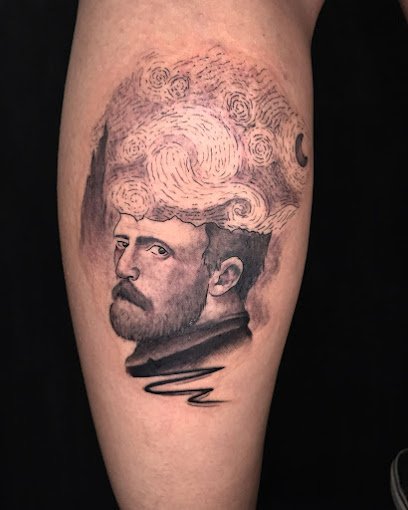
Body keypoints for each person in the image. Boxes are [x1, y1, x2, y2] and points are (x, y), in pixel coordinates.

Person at [59, 0, 322, 508]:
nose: (122, 266)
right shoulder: (161, 355)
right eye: (122, 242)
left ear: (223, 276)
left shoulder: (197, 375)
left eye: (156, 249)